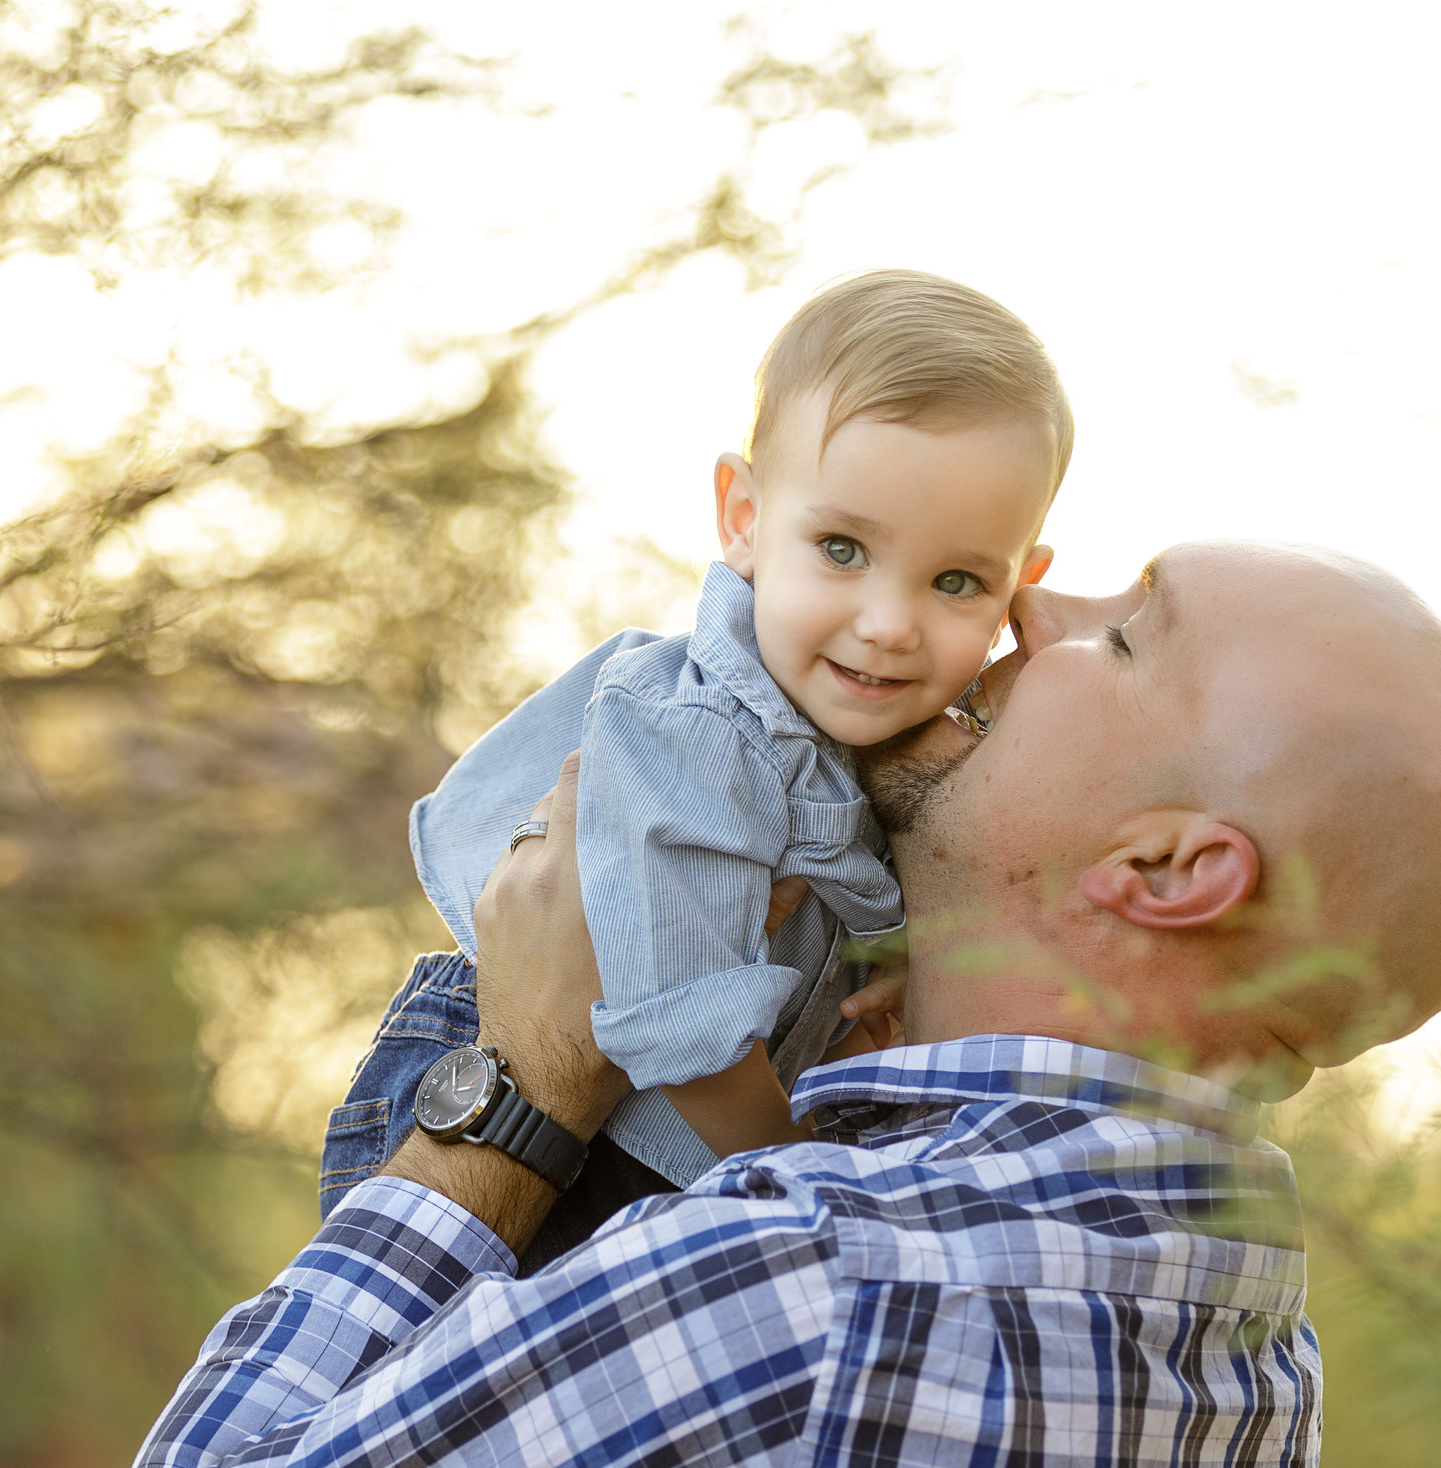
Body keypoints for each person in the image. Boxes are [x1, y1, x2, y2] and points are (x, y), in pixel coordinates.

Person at [89, 540, 1441, 1468]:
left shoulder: (819, 1279)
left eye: (1124, 632)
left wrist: (523, 1087)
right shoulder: (1243, 1335)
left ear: (1167, 867)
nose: (1035, 595)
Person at [319, 271, 1068, 1221]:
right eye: (842, 548)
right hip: (528, 1097)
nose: (888, 623)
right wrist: (804, 1186)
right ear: (744, 519)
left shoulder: (880, 738)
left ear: (1021, 591)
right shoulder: (699, 729)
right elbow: (682, 1020)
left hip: (666, 1129)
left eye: (957, 580)